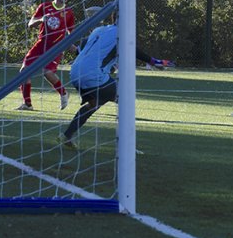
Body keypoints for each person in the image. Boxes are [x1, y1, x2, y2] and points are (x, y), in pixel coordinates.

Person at [58, 8, 175, 150]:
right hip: (93, 74)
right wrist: (154, 62)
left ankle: (67, 135)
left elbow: (79, 50)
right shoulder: (122, 34)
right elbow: (134, 51)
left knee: (95, 103)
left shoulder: (99, 30)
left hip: (75, 72)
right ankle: (127, 147)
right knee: (125, 100)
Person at [16, 0, 76, 111]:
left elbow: (71, 33)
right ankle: (27, 104)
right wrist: (41, 20)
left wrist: (71, 45)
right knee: (24, 71)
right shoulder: (44, 6)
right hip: (41, 44)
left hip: (56, 47)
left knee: (47, 72)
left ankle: (64, 93)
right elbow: (30, 24)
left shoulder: (69, 12)